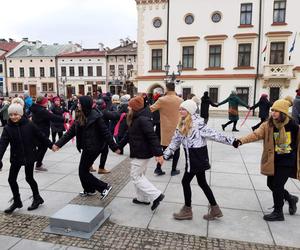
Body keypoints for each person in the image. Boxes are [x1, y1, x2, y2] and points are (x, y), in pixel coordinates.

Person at [164, 100, 236, 220]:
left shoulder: (198, 124)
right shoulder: (181, 123)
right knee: (202, 183)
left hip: (196, 157)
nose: (180, 111)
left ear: (190, 111)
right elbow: (175, 140)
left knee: (185, 182)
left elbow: (215, 135)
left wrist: (232, 141)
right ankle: (215, 209)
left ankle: (188, 210)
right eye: (180, 109)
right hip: (191, 157)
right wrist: (166, 154)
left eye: (183, 109)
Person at [237, 97, 299, 221]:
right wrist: (240, 141)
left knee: (277, 185)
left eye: (276, 111)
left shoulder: (293, 126)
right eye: (272, 110)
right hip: (273, 159)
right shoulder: (268, 124)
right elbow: (256, 134)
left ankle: (278, 212)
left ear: (283, 113)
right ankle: (290, 198)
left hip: (287, 160)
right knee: (271, 183)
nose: (273, 113)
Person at [53, 96, 121, 199]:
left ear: (84, 104)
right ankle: (89, 190)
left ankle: (104, 187)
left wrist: (114, 147)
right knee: (83, 170)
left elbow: (106, 133)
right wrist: (58, 144)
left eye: (79, 103)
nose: (78, 105)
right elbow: (71, 132)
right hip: (86, 147)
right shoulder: (81, 115)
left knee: (83, 172)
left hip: (94, 148)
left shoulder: (97, 116)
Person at [0, 103, 55, 214]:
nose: (13, 117)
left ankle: (37, 198)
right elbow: (2, 144)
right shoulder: (7, 128)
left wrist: (51, 145)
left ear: (21, 114)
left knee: (29, 178)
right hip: (16, 157)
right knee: (11, 179)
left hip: (29, 156)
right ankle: (17, 201)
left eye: (16, 114)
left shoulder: (29, 125)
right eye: (11, 115)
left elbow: (41, 135)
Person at [119, 96, 165, 211]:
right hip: (139, 151)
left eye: (130, 106)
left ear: (135, 108)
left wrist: (159, 154)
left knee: (135, 176)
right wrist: (119, 146)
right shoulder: (136, 117)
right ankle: (142, 199)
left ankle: (156, 195)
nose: (128, 107)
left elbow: (152, 136)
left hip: (141, 153)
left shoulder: (142, 119)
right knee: (140, 176)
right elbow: (129, 134)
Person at [150, 82, 183, 176]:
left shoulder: (162, 100)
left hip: (165, 129)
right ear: (174, 88)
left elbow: (151, 109)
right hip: (177, 128)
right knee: (176, 149)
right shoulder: (180, 100)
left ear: (166, 89)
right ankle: (173, 170)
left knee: (164, 149)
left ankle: (158, 168)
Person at [30, 96, 65, 171]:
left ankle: (36, 161)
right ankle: (38, 164)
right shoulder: (42, 111)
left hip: (36, 131)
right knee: (43, 148)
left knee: (40, 147)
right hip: (42, 131)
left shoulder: (36, 108)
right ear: (43, 103)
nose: (47, 103)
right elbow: (53, 117)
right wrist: (65, 120)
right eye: (46, 102)